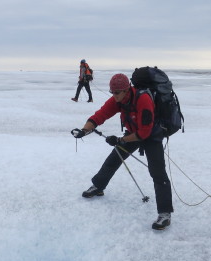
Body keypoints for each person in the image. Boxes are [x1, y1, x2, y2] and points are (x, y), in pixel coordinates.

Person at [71, 73, 173, 230]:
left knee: (157, 172)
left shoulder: (143, 99)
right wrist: (84, 130)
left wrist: (120, 140)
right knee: (113, 159)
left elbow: (144, 133)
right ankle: (98, 186)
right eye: (112, 92)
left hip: (151, 135)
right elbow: (100, 115)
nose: (114, 95)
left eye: (117, 92)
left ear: (127, 90)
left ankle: (165, 213)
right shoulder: (118, 99)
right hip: (133, 132)